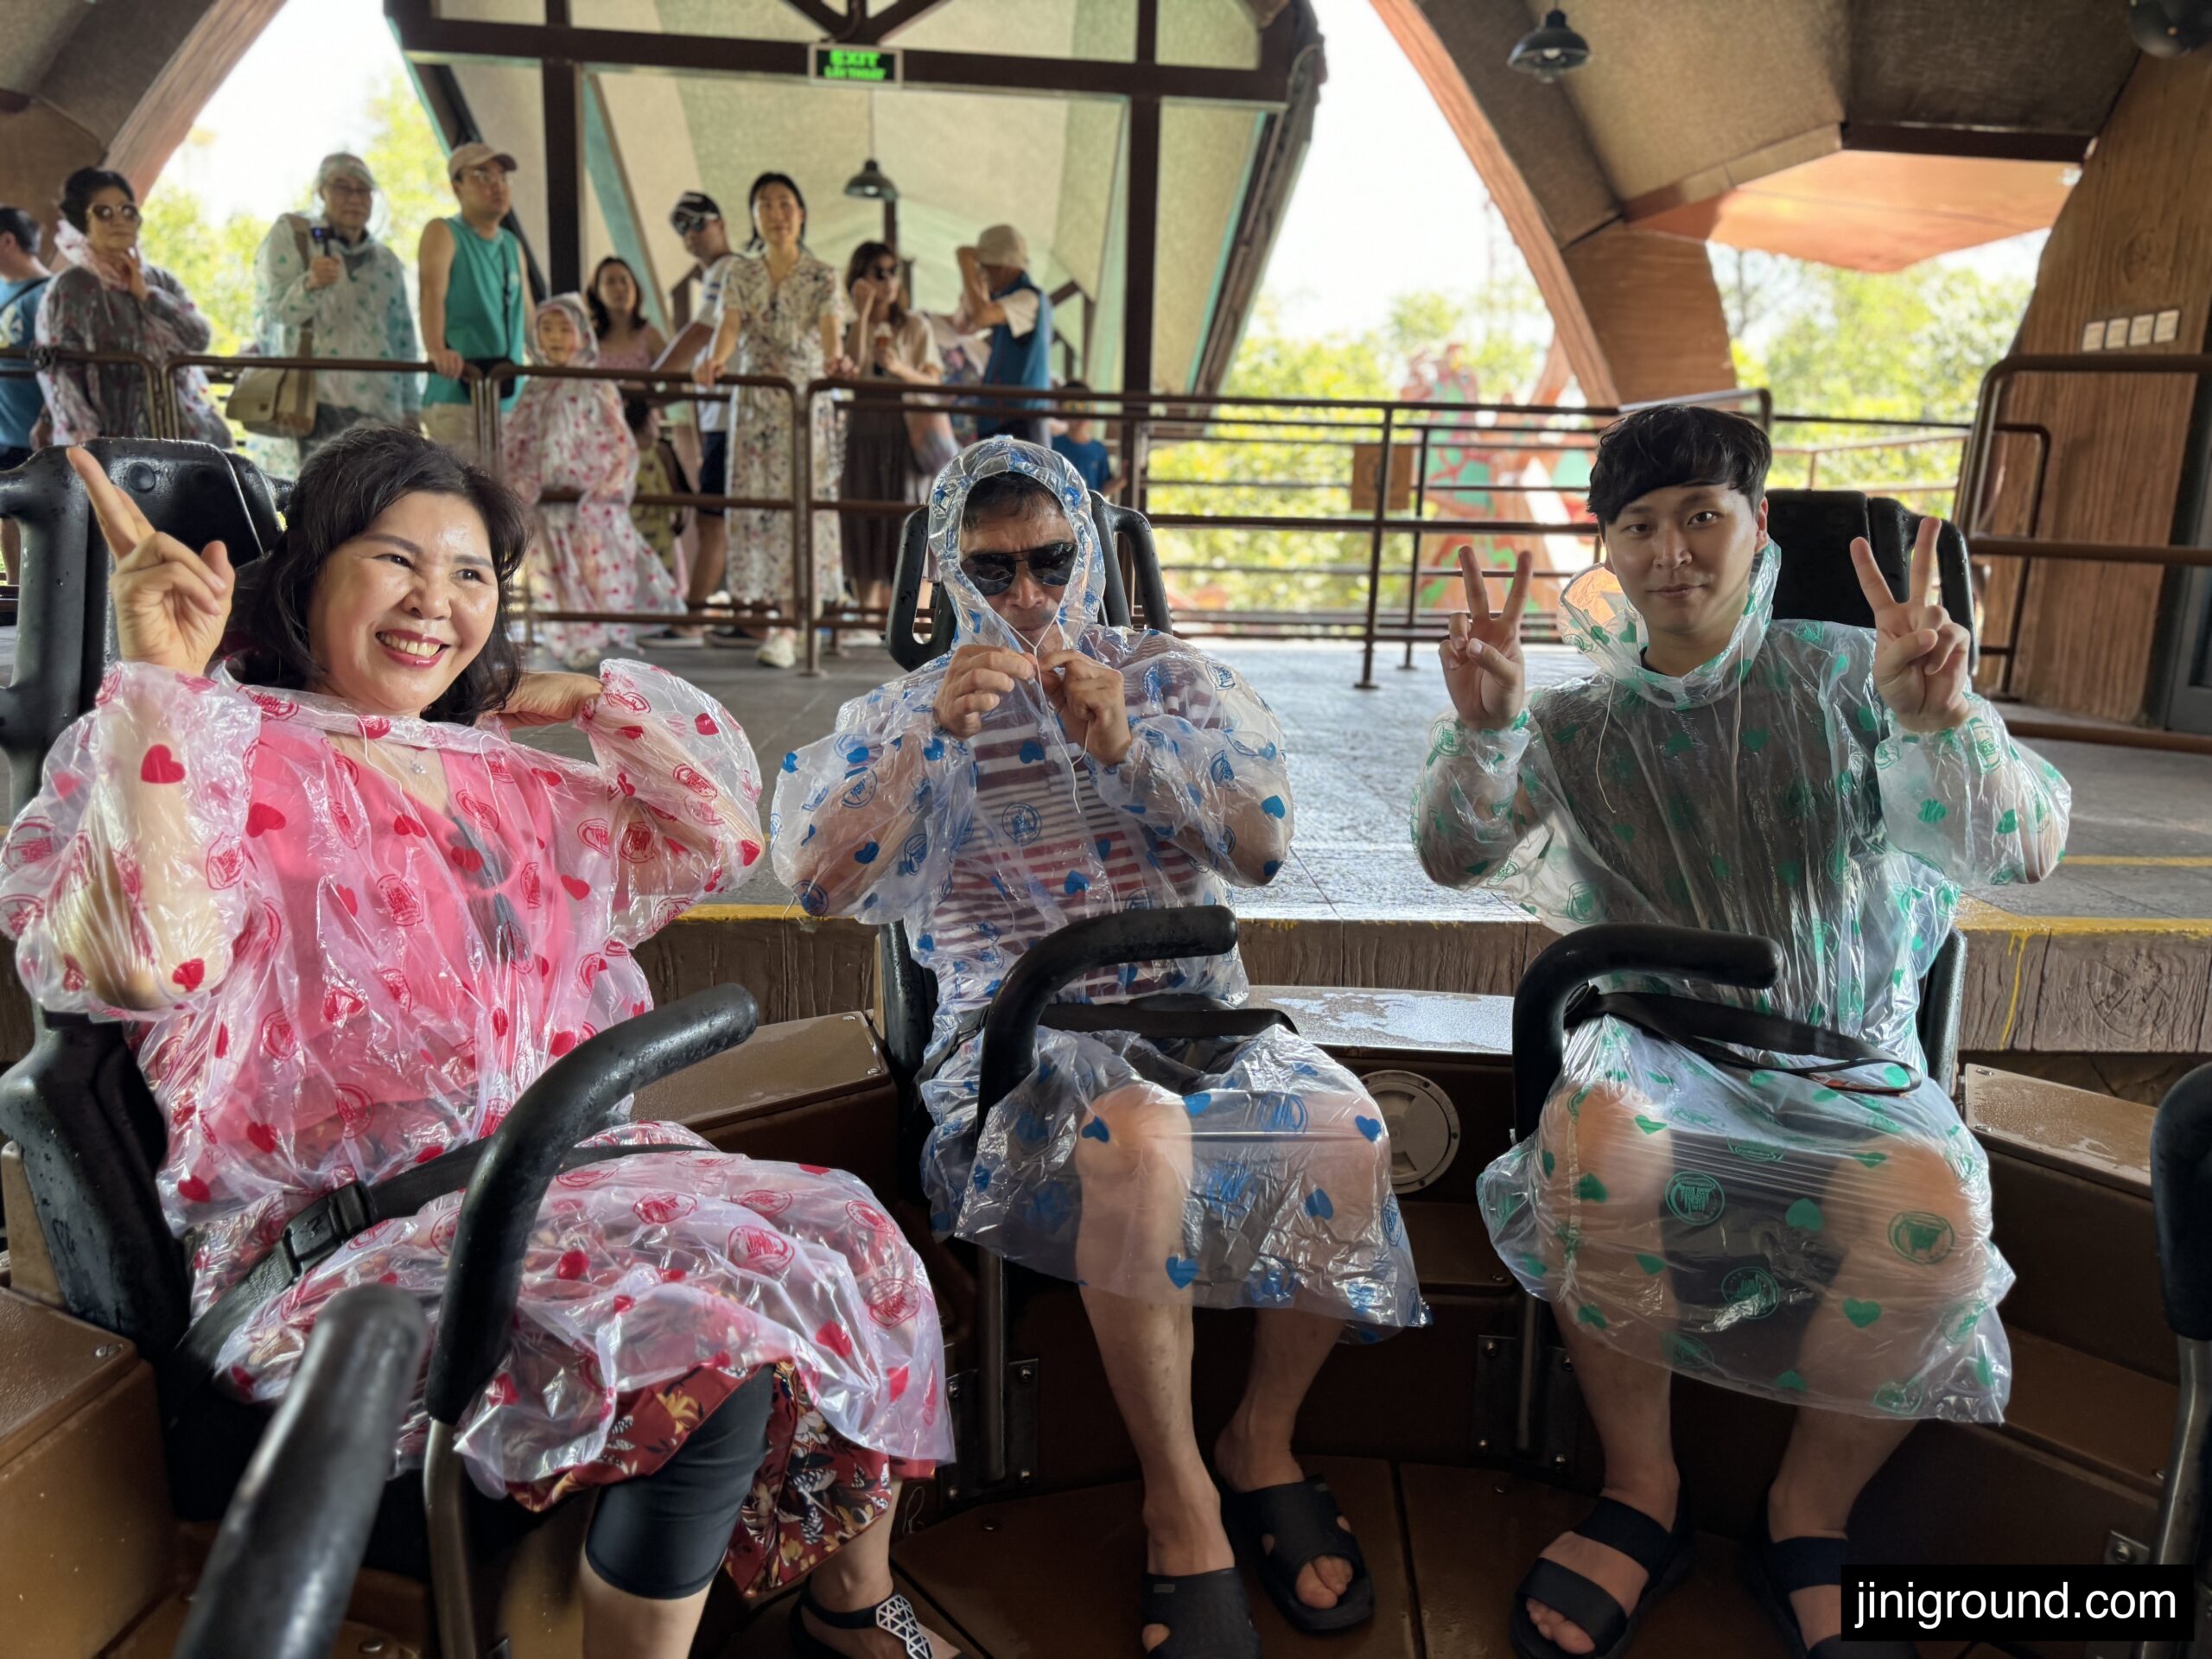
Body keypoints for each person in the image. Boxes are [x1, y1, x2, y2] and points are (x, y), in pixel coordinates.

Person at [0, 427, 959, 1659]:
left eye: (469, 577)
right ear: (307, 578)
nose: (433, 605)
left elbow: (715, 826)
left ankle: (848, 1607)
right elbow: (147, 957)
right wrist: (159, 686)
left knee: (858, 1239)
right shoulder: (212, 752)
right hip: (348, 1240)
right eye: (395, 561)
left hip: (553, 1182)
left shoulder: (493, 772)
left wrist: (589, 695)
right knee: (707, 1349)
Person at [1411, 405, 2071, 1659]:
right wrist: (1488, 726)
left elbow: (2023, 847)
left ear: (1758, 530)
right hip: (1655, 1053)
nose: (1675, 553)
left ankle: (1806, 1510)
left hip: (1849, 1056)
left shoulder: (1854, 678)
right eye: (1642, 525)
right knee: (1598, 1144)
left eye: (1704, 517)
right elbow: (1454, 852)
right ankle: (1642, 1488)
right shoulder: (1580, 727)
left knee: (1932, 1211)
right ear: (1608, 548)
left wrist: (1941, 723)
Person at [776, 437, 1425, 1658]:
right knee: (1139, 1137)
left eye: (1050, 561)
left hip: (1197, 1017)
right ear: (950, 576)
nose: (1025, 596)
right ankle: (1179, 1491)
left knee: (1349, 1126)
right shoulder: (905, 710)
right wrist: (927, 741)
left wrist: (1131, 749)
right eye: (994, 570)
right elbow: (817, 880)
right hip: (1028, 1044)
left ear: (1094, 555)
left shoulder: (1173, 680)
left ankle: (1262, 1437)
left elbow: (1260, 846)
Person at [693, 173, 852, 669]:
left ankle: (796, 621)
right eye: (765, 204)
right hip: (758, 403)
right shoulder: (742, 273)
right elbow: (729, 327)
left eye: (785, 203)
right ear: (755, 217)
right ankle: (778, 623)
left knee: (805, 508)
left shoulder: (823, 274)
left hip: (804, 405)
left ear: (801, 213)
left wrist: (835, 361)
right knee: (762, 510)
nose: (777, 213)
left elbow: (831, 334)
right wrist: (714, 361)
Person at [502, 294, 683, 671]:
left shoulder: (596, 385)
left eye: (563, 328)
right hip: (545, 499)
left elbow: (619, 441)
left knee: (597, 567)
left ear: (582, 334)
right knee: (553, 571)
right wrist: (517, 480)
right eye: (546, 329)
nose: (554, 337)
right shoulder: (534, 388)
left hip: (589, 500)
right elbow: (516, 438)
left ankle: (604, 632)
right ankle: (572, 636)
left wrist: (609, 482)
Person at [34, 167, 231, 448]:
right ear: (82, 221)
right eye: (104, 212)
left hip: (181, 434)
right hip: (113, 444)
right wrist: (88, 450)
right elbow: (64, 380)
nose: (119, 221)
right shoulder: (71, 288)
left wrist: (148, 296)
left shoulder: (158, 280)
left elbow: (198, 338)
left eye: (128, 211)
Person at [252, 153, 422, 467]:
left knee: (373, 502)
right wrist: (311, 283)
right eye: (342, 187)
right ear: (322, 192)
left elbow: (403, 337)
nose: (354, 198)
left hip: (381, 406)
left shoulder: (386, 261)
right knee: (317, 498)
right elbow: (274, 314)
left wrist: (412, 409)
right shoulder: (294, 236)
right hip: (313, 402)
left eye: (363, 190)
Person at [649, 192, 741, 648]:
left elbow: (701, 331)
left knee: (713, 518)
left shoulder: (727, 271)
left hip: (731, 415)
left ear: (721, 223)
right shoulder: (732, 273)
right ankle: (748, 618)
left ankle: (693, 619)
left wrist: (650, 384)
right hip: (725, 414)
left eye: (697, 222)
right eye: (681, 227)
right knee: (729, 517)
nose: (690, 234)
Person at [840, 240, 946, 626]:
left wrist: (899, 368)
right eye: (877, 272)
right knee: (861, 509)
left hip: (906, 429)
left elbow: (934, 379)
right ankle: (866, 616)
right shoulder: (853, 326)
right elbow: (846, 369)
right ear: (859, 279)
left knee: (906, 510)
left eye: (892, 271)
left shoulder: (914, 324)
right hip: (864, 425)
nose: (887, 280)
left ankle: (909, 617)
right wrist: (863, 312)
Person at [418, 142, 532, 463]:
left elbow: (528, 317)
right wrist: (437, 350)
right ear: (457, 186)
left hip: (509, 397)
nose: (496, 185)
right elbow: (431, 293)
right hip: (457, 394)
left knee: (505, 499)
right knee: (464, 493)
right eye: (483, 175)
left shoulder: (511, 244)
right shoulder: (444, 231)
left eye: (502, 177)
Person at [954, 226, 1051, 446]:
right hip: (1003, 420)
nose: (984, 275)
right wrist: (977, 284)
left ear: (1002, 268)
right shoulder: (1008, 300)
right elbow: (966, 325)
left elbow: (980, 317)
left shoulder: (1028, 299)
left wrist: (966, 266)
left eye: (986, 269)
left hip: (1021, 422)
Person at [0, 204, 53, 470]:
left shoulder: (50, 295)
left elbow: (64, 367)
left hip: (31, 438)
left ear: (8, 240)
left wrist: (48, 420)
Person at [626, 393, 689, 589]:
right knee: (661, 578)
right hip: (659, 526)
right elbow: (675, 487)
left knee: (634, 577)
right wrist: (679, 517)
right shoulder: (659, 451)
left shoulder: (622, 453)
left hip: (630, 527)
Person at [588, 255, 666, 377]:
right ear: (597, 293)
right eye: (610, 282)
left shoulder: (650, 337)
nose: (619, 288)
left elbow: (671, 381)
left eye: (624, 281)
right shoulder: (588, 340)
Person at [1049, 380, 1119, 499]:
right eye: (1074, 408)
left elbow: (1101, 490)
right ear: (1061, 409)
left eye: (1086, 407)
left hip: (1089, 512)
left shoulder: (1099, 449)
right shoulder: (1053, 445)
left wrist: (1121, 479)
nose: (1081, 415)